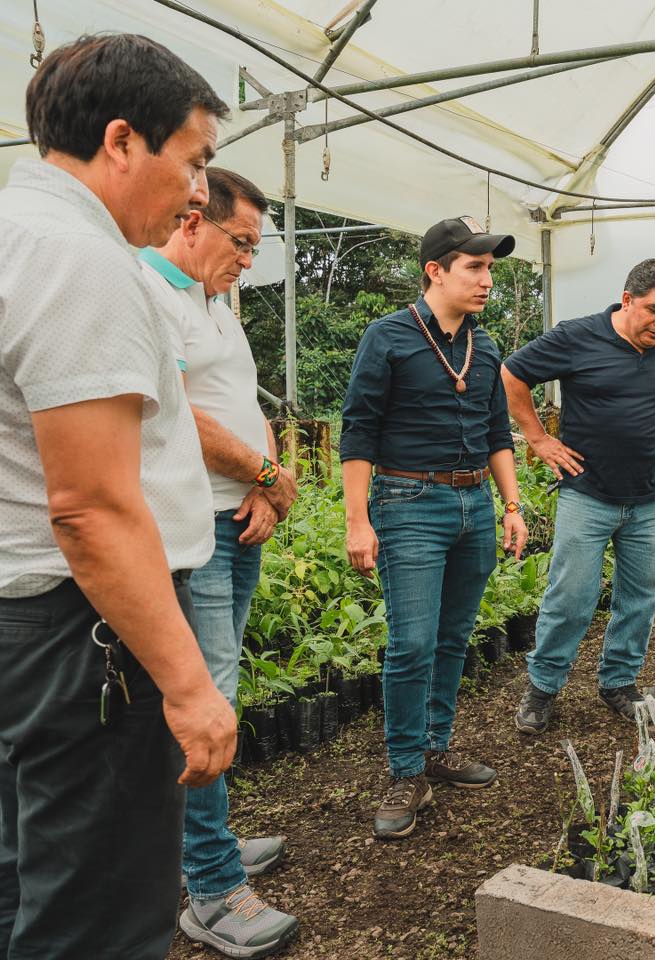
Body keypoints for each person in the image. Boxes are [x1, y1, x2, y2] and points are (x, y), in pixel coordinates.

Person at [0, 34, 238, 959]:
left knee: (29, 881)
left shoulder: (17, 230)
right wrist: (187, 685)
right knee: (99, 916)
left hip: (29, 623)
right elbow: (91, 508)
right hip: (84, 632)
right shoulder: (82, 263)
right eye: (195, 160)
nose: (197, 192)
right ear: (122, 141)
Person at [138, 167, 301, 957]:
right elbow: (177, 411)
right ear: (194, 220)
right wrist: (267, 475)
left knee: (224, 688)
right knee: (206, 703)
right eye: (242, 242)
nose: (249, 260)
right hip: (191, 531)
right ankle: (208, 888)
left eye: (256, 248)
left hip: (237, 522)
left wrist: (267, 490)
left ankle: (211, 843)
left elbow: (247, 404)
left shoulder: (215, 306)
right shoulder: (151, 292)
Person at [340, 217, 527, 841]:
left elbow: (498, 431)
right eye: (474, 267)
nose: (486, 280)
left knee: (453, 638)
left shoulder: (487, 346)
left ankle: (436, 749)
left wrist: (512, 506)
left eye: (490, 269)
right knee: (412, 643)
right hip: (408, 501)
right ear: (435, 271)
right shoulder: (387, 338)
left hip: (474, 502)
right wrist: (358, 520)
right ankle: (403, 769)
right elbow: (358, 430)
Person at [505, 258, 655, 735]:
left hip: (649, 498)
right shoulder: (576, 336)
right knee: (571, 597)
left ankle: (618, 682)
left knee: (641, 594)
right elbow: (513, 376)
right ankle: (542, 688)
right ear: (627, 300)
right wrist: (538, 438)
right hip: (588, 493)